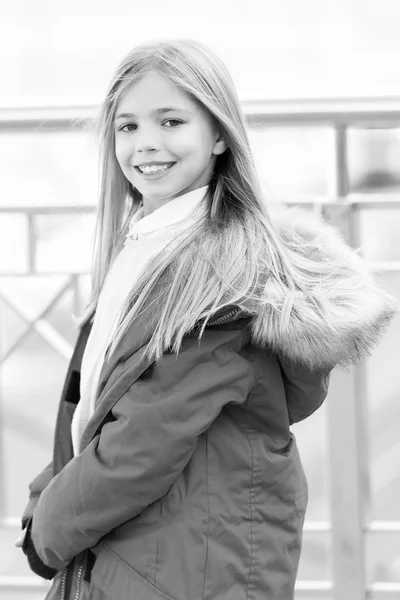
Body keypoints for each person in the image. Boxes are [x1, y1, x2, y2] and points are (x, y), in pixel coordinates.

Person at [17, 38, 397, 600]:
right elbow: (96, 409)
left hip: (188, 563)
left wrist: (46, 531)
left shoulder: (220, 277)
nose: (147, 144)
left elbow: (143, 445)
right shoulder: (149, 244)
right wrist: (46, 494)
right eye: (128, 127)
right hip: (145, 548)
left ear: (219, 134)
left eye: (171, 121)